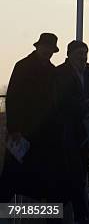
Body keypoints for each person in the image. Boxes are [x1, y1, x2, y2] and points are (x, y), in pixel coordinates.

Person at [0, 33, 66, 202]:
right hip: (24, 131)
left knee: (36, 180)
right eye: (46, 47)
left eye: (50, 48)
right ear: (38, 47)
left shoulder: (52, 71)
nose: (48, 51)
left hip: (43, 133)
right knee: (13, 177)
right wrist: (14, 128)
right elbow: (13, 98)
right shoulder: (23, 66)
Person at [56, 40, 89, 223]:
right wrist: (81, 105)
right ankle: (80, 214)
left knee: (78, 176)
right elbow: (60, 100)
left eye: (85, 53)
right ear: (69, 54)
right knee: (73, 175)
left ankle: (77, 214)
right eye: (80, 53)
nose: (83, 57)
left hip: (86, 132)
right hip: (68, 131)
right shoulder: (60, 73)